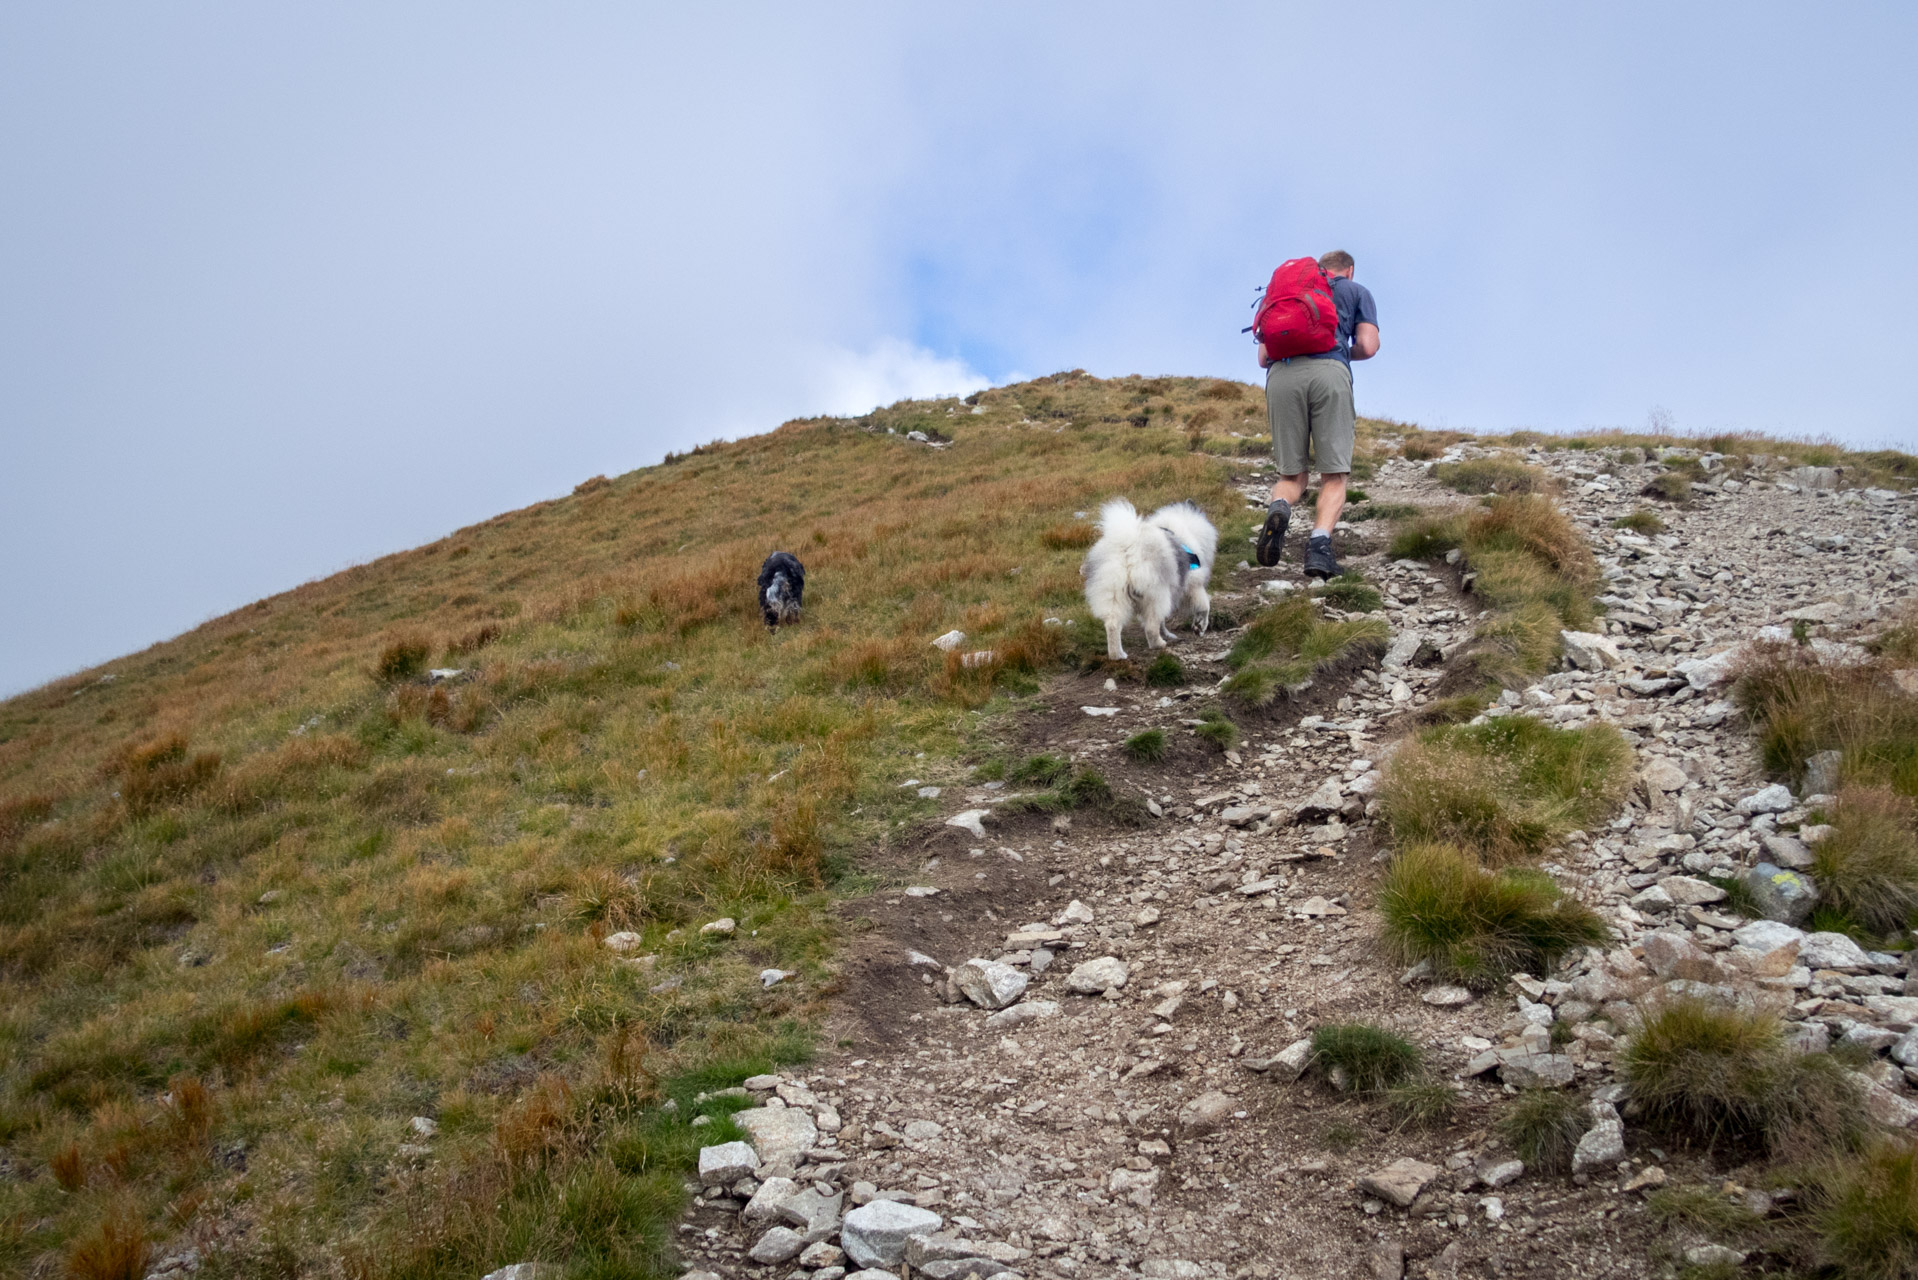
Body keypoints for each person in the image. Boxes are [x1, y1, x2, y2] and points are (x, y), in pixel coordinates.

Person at [1254, 249, 1379, 578]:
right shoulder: (1357, 291)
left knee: (1291, 476)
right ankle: (1319, 549)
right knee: (1334, 474)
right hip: (1329, 372)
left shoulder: (1287, 293)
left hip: (1282, 375)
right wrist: (1340, 351)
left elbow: (1263, 358)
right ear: (1349, 270)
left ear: (1319, 270)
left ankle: (1279, 508)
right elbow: (1368, 345)